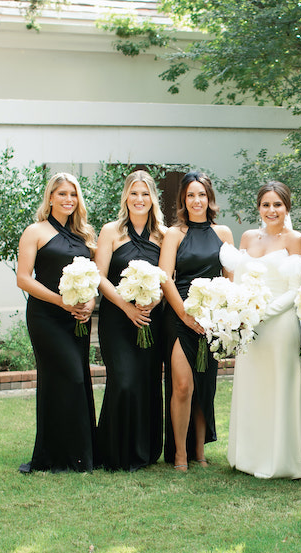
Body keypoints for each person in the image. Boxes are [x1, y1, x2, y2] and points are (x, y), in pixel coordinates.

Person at [222, 181, 301, 480]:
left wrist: (261, 313)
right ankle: (250, 456)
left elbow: (296, 289)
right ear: (259, 208)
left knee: (280, 385)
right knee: (254, 386)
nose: (271, 210)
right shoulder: (248, 237)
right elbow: (236, 282)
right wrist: (239, 313)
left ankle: (285, 458)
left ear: (287, 207)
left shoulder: (295, 239)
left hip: (279, 325)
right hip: (249, 329)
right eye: (266, 204)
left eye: (277, 204)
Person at [16, 173, 97, 473]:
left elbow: (97, 275)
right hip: (46, 316)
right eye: (62, 194)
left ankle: (76, 454)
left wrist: (90, 302)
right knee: (69, 376)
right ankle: (59, 456)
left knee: (74, 380)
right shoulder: (35, 231)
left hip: (77, 319)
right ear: (50, 197)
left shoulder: (84, 235)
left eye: (73, 195)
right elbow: (23, 278)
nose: (68, 199)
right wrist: (60, 301)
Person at [159, 171, 234, 471]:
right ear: (183, 200)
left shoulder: (224, 234)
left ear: (209, 198)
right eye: (190, 195)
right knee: (182, 386)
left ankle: (200, 451)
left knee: (205, 386)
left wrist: (224, 317)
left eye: (201, 194)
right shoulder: (174, 234)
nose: (196, 200)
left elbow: (231, 279)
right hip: (179, 318)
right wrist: (185, 315)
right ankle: (179, 453)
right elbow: (165, 277)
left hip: (212, 322)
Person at [94, 170, 166, 471]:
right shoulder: (111, 231)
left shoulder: (163, 234)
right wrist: (127, 307)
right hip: (118, 318)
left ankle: (144, 451)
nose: (139, 199)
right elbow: (99, 276)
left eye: (145, 193)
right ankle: (113, 453)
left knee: (147, 381)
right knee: (123, 380)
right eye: (134, 193)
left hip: (151, 318)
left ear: (153, 199)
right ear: (126, 196)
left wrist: (152, 300)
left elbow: (167, 277)